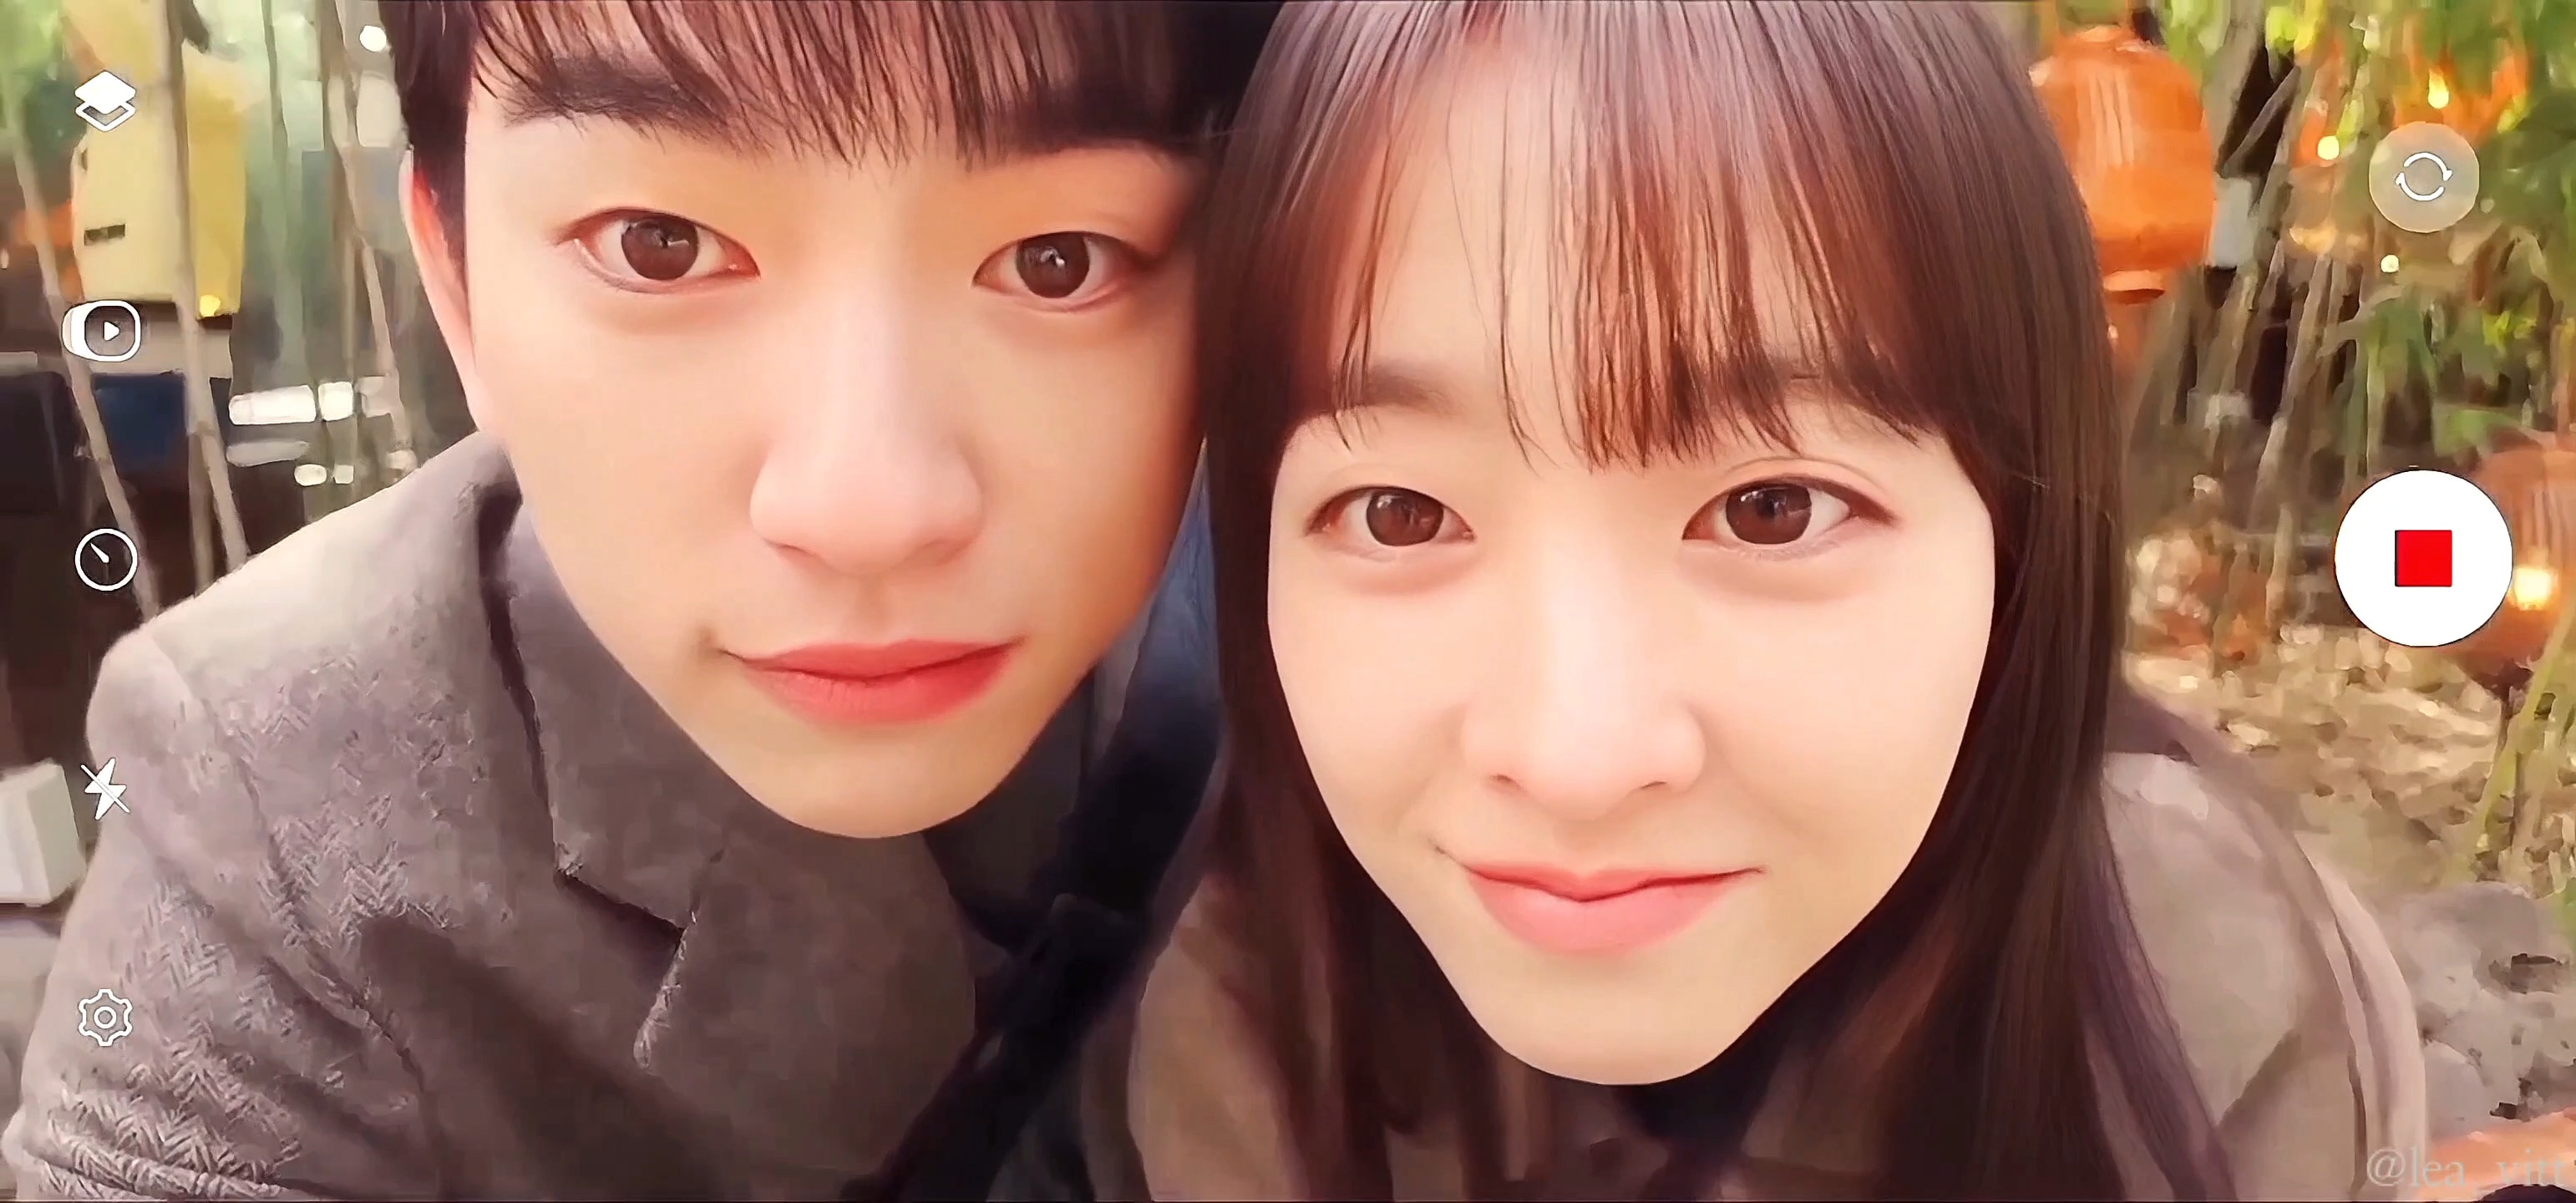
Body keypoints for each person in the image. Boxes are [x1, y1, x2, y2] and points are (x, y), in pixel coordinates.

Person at [1094, 3, 2425, 1200]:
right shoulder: (1248, 1042)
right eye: (1401, 513)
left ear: (2022, 544)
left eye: (1772, 509)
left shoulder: (2213, 1005)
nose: (1577, 759)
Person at [5, 2, 1268, 1197]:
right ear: (455, 284)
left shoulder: (1328, 635)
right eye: (660, 246)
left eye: (1058, 261)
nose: (867, 507)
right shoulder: (274, 793)